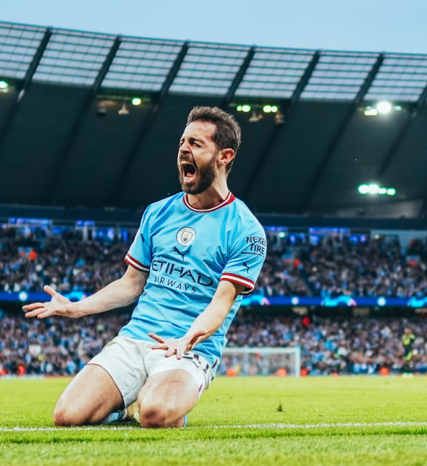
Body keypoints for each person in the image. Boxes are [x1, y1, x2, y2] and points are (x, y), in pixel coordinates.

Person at [24, 106, 266, 428]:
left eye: (195, 143)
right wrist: (78, 308)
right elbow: (131, 284)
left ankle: (152, 399)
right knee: (67, 416)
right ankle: (126, 404)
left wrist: (188, 339)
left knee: (154, 414)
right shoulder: (157, 213)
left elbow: (220, 305)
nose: (183, 149)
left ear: (224, 156)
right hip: (136, 339)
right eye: (182, 142)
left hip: (189, 351)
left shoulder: (246, 230)